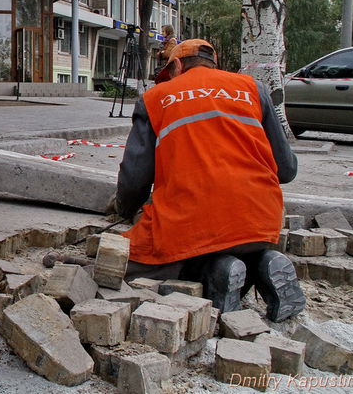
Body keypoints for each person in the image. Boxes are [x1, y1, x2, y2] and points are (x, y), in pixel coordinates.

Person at [115, 39, 304, 322]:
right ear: (213, 63)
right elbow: (286, 170)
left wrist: (126, 211)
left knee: (138, 260)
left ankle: (214, 271)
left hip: (194, 219)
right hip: (261, 220)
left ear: (177, 65)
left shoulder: (156, 97)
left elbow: (134, 179)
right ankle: (261, 264)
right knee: (237, 239)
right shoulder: (253, 89)